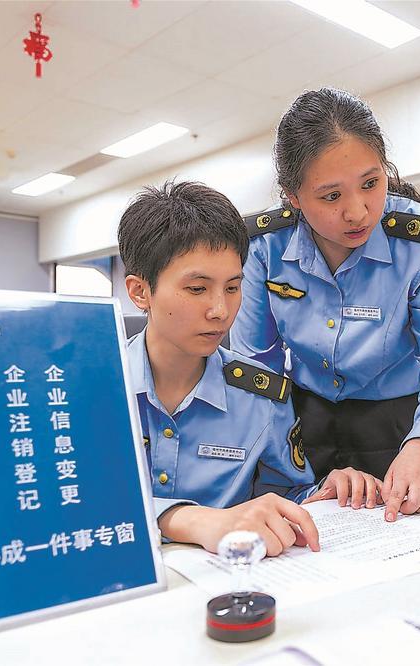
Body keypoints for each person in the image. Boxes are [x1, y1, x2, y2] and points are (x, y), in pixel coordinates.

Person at [230, 88, 420, 523]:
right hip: (297, 423)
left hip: (400, 425)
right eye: (331, 196)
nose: (358, 212)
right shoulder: (263, 246)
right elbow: (255, 370)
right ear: (293, 196)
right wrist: (282, 466)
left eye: (371, 184)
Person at [118, 180, 383, 557]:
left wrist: (328, 491)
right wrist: (189, 521)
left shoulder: (260, 394)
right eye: (197, 289)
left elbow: (286, 495)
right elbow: (75, 504)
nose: (220, 311)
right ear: (140, 291)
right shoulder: (94, 389)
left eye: (232, 287)